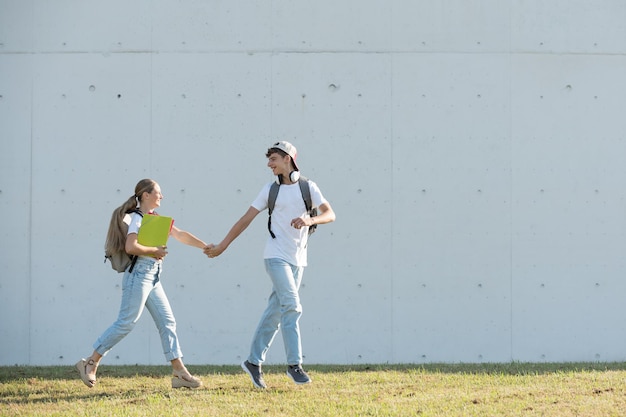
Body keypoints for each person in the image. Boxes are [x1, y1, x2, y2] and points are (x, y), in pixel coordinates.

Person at [204, 141, 335, 389]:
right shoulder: (269, 190)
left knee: (275, 311)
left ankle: (253, 362)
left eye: (273, 158)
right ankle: (294, 365)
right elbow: (246, 219)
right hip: (275, 257)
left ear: (288, 159)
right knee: (292, 307)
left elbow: (330, 214)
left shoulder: (309, 187)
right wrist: (223, 245)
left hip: (299, 260)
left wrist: (310, 219)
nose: (269, 164)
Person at [76, 179, 206, 389]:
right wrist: (154, 251)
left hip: (153, 277)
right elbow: (131, 246)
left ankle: (180, 373)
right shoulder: (136, 218)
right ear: (146, 195)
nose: (161, 196)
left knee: (168, 322)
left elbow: (180, 234)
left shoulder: (155, 219)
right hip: (139, 275)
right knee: (126, 322)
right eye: (158, 193)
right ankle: (90, 363)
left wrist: (205, 246)